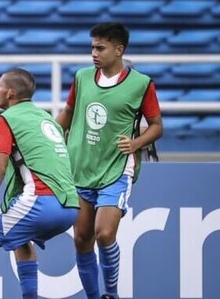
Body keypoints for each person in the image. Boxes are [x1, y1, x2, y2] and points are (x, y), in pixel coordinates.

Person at [55, 23, 163, 299]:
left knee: (103, 234)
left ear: (119, 49)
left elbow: (156, 126)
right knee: (81, 239)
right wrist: (52, 140)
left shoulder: (141, 84)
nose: (94, 53)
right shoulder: (81, 77)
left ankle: (111, 294)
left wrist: (137, 143)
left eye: (100, 48)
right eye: (92, 47)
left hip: (116, 169)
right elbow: (67, 112)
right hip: (79, 168)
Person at [0, 69, 79, 299]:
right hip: (70, 207)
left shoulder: (5, 120)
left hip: (41, 202)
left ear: (10, 93)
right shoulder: (46, 118)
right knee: (21, 240)